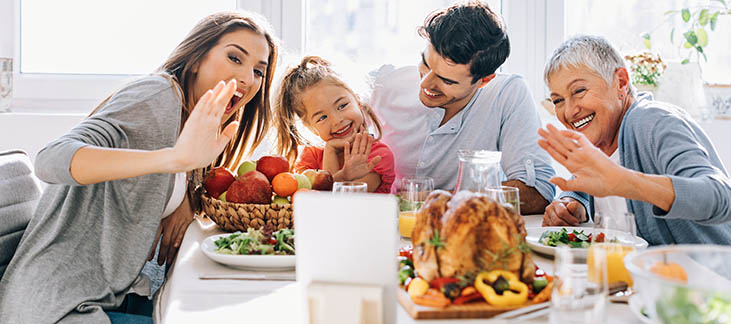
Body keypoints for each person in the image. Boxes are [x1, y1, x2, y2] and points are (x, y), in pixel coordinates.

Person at [0, 11, 278, 323]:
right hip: (55, 307)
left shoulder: (195, 121)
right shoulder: (157, 95)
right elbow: (51, 160)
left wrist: (188, 194)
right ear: (197, 59)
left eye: (258, 71)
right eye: (234, 58)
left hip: (110, 295)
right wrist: (174, 160)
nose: (247, 78)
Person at [538, 34, 731, 245]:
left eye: (579, 91)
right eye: (558, 100)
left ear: (621, 83)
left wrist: (626, 183)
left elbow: (723, 197)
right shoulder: (600, 141)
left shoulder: (654, 121)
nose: (569, 111)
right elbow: (593, 184)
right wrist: (572, 202)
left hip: (713, 274)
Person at [368, 1, 555, 213]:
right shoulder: (385, 86)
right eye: (425, 64)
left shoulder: (506, 94)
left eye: (446, 80)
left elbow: (539, 192)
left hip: (466, 235)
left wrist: (447, 202)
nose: (425, 83)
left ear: (484, 80)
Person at [275, 56, 395, 193]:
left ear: (357, 99)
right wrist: (330, 152)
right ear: (311, 128)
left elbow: (341, 205)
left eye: (342, 105)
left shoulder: (378, 155)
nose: (337, 120)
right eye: (322, 117)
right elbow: (313, 203)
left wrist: (336, 172)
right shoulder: (311, 156)